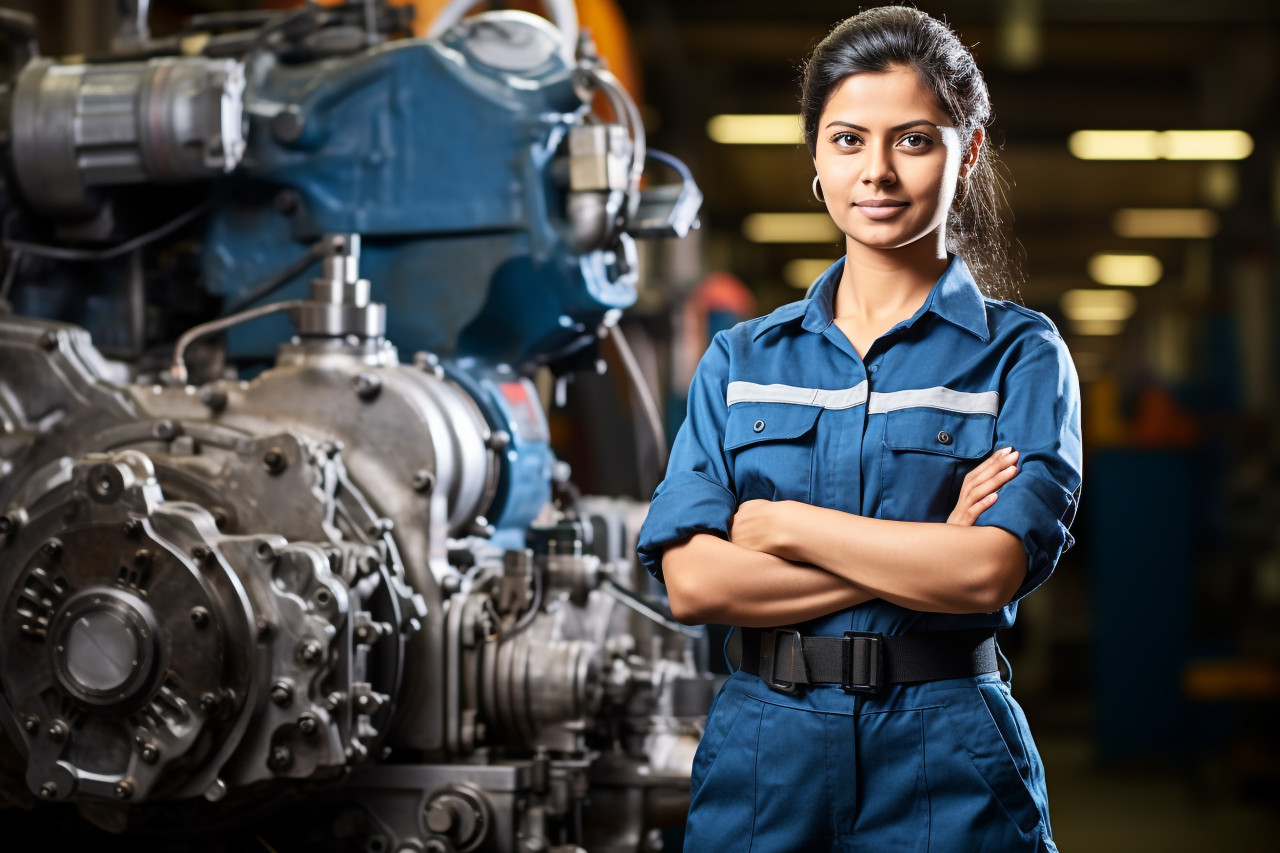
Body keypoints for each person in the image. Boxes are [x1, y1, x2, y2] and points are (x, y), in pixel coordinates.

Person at [637, 6, 1082, 852]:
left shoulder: (1020, 354)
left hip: (947, 752)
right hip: (766, 752)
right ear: (815, 155)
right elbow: (694, 584)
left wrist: (784, 527)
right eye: (847, 140)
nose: (876, 172)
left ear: (969, 151)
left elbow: (987, 569)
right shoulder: (742, 358)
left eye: (913, 140)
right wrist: (919, 552)